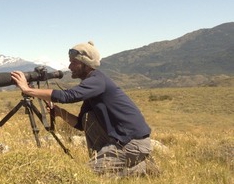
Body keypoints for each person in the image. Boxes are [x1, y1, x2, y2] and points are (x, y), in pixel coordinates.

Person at [11, 41, 159, 177]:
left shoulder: (97, 80)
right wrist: (59, 112)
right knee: (88, 117)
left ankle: (139, 169)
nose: (69, 67)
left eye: (73, 63)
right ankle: (136, 167)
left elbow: (69, 96)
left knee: (84, 176)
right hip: (124, 140)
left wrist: (27, 90)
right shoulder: (93, 84)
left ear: (86, 64)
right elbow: (81, 125)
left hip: (131, 143)